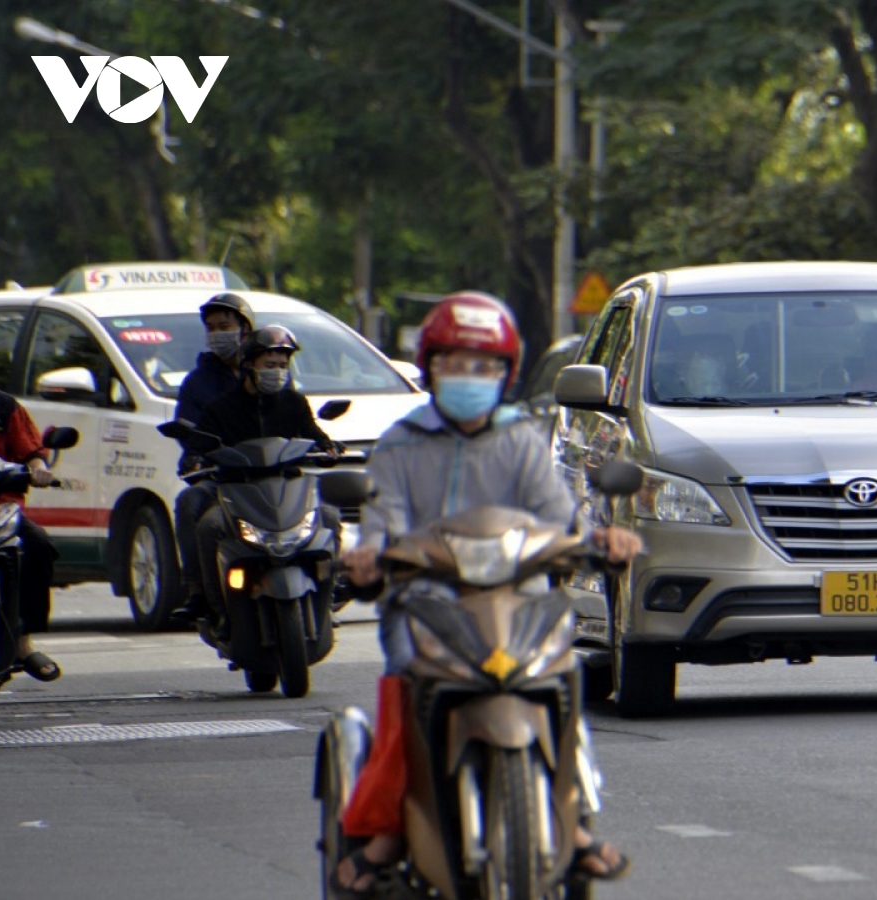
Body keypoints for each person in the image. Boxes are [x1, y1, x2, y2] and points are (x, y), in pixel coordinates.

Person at [332, 293, 637, 897]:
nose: (470, 377)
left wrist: (598, 539)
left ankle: (574, 817)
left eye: (485, 366)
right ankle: (389, 828)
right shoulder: (399, 444)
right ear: (431, 367)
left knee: (564, 674)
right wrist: (370, 554)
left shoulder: (520, 439)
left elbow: (558, 517)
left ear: (505, 374)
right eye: (456, 364)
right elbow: (382, 521)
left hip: (519, 604)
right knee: (404, 679)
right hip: (427, 605)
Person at [188, 324, 341, 630]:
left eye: (283, 366)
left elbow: (313, 434)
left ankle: (329, 597)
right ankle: (209, 602)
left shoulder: (294, 403)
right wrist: (194, 460)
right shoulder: (220, 408)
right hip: (237, 491)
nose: (277, 372)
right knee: (207, 524)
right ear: (248, 365)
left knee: (330, 516)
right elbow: (198, 445)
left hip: (288, 490)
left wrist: (329, 447)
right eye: (270, 365)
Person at [0, 325, 62, 681]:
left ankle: (23, 642)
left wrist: (39, 469)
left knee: (39, 546)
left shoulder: (3, 406)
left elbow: (32, 453)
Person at [168, 292, 253, 624]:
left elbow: (293, 418)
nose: (218, 333)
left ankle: (323, 589)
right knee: (189, 503)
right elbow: (190, 434)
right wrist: (195, 458)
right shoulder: (198, 382)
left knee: (323, 512)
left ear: (245, 328)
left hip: (271, 477)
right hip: (222, 479)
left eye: (225, 326)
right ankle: (198, 592)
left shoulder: (265, 371)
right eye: (212, 328)